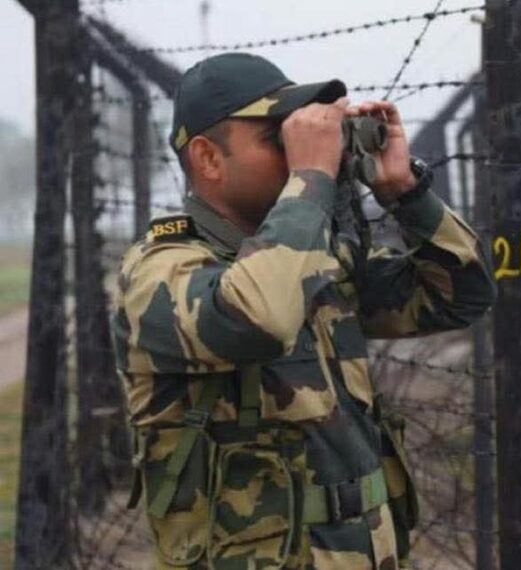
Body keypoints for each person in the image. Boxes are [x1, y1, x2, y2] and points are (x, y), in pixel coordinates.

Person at [111, 52, 497, 569]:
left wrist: (405, 193)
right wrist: (311, 178)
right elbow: (257, 318)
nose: (311, 153)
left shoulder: (318, 261)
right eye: (280, 138)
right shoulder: (160, 272)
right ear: (207, 158)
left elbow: (461, 295)